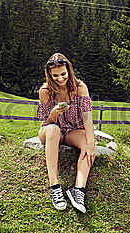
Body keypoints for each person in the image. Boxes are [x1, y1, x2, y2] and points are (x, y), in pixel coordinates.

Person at [36, 53, 95, 213]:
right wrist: (54, 113)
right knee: (54, 130)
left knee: (88, 143)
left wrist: (90, 144)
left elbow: (87, 119)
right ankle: (55, 186)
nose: (60, 78)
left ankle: (78, 190)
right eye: (55, 75)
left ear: (69, 70)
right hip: (50, 129)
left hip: (72, 130)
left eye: (63, 74)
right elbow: (46, 121)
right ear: (49, 74)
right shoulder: (45, 90)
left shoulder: (80, 88)